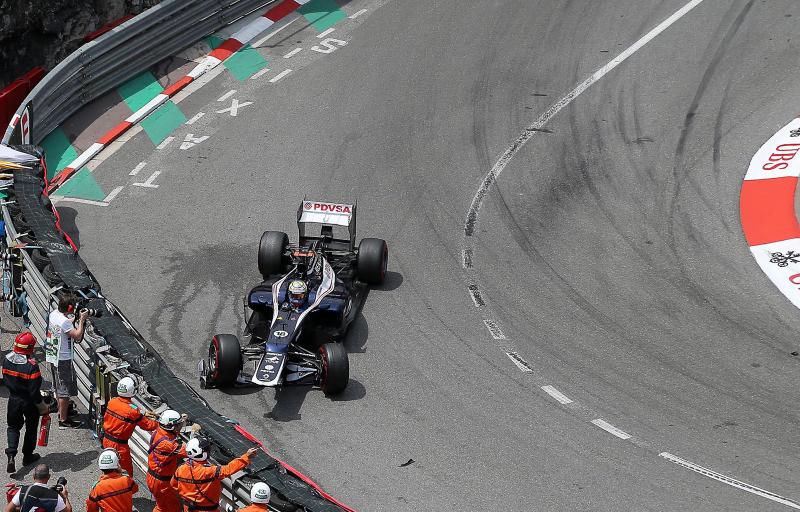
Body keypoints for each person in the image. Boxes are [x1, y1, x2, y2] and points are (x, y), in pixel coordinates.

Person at [2, 332, 47, 473]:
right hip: (28, 403)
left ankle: (11, 454)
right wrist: (43, 407)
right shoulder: (32, 366)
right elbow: (34, 393)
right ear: (30, 348)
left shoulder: (6, 360)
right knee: (31, 428)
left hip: (13, 400)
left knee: (13, 427)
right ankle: (27, 456)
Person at [172, 439, 258, 512]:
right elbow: (229, 469)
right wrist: (247, 457)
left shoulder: (180, 469)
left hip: (188, 508)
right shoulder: (208, 471)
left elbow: (174, 486)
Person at [102, 376, 158, 478]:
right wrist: (161, 422)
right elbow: (149, 426)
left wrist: (143, 413)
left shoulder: (112, 402)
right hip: (119, 446)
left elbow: (125, 411)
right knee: (125, 473)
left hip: (106, 440)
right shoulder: (133, 411)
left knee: (110, 470)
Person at [47, 293, 88, 429]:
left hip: (53, 355)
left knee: (59, 387)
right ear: (70, 307)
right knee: (64, 391)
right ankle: (63, 420)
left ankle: (61, 412)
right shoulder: (64, 322)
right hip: (63, 359)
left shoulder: (54, 314)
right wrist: (81, 320)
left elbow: (64, 326)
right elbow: (77, 336)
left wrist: (74, 318)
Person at [148, 410, 193, 512]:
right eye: (178, 425)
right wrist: (193, 433)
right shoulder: (169, 444)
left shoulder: (159, 430)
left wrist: (181, 420)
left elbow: (170, 426)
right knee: (172, 508)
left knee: (162, 506)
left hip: (155, 478)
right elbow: (190, 451)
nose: (179, 427)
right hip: (162, 483)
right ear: (171, 427)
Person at [5, 463, 72, 512]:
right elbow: (68, 511)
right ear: (49, 477)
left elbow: (8, 509)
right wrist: (65, 497)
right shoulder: (55, 497)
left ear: (33, 476)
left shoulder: (23, 490)